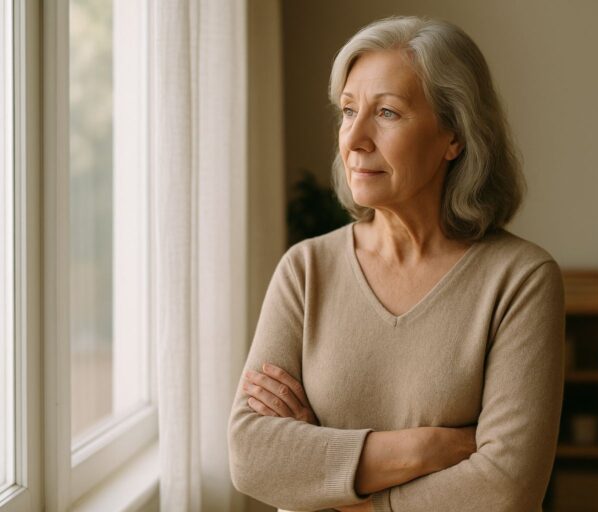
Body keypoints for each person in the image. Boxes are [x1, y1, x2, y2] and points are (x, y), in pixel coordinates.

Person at [229, 15, 564, 512]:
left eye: (387, 113)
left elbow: (506, 488)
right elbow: (252, 457)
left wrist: (330, 479)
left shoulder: (521, 279)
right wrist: (427, 449)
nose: (355, 139)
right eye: (347, 111)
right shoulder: (305, 270)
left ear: (455, 136)